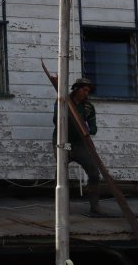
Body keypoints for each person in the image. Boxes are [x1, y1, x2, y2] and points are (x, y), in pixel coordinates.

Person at [53, 77, 102, 214]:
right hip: (64, 143)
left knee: (93, 171)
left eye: (88, 91)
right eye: (84, 90)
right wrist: (68, 117)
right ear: (76, 89)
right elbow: (56, 121)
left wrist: (89, 129)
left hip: (79, 144)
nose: (86, 93)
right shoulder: (62, 102)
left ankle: (94, 205)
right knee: (61, 172)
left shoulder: (88, 107)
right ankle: (62, 206)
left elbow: (93, 127)